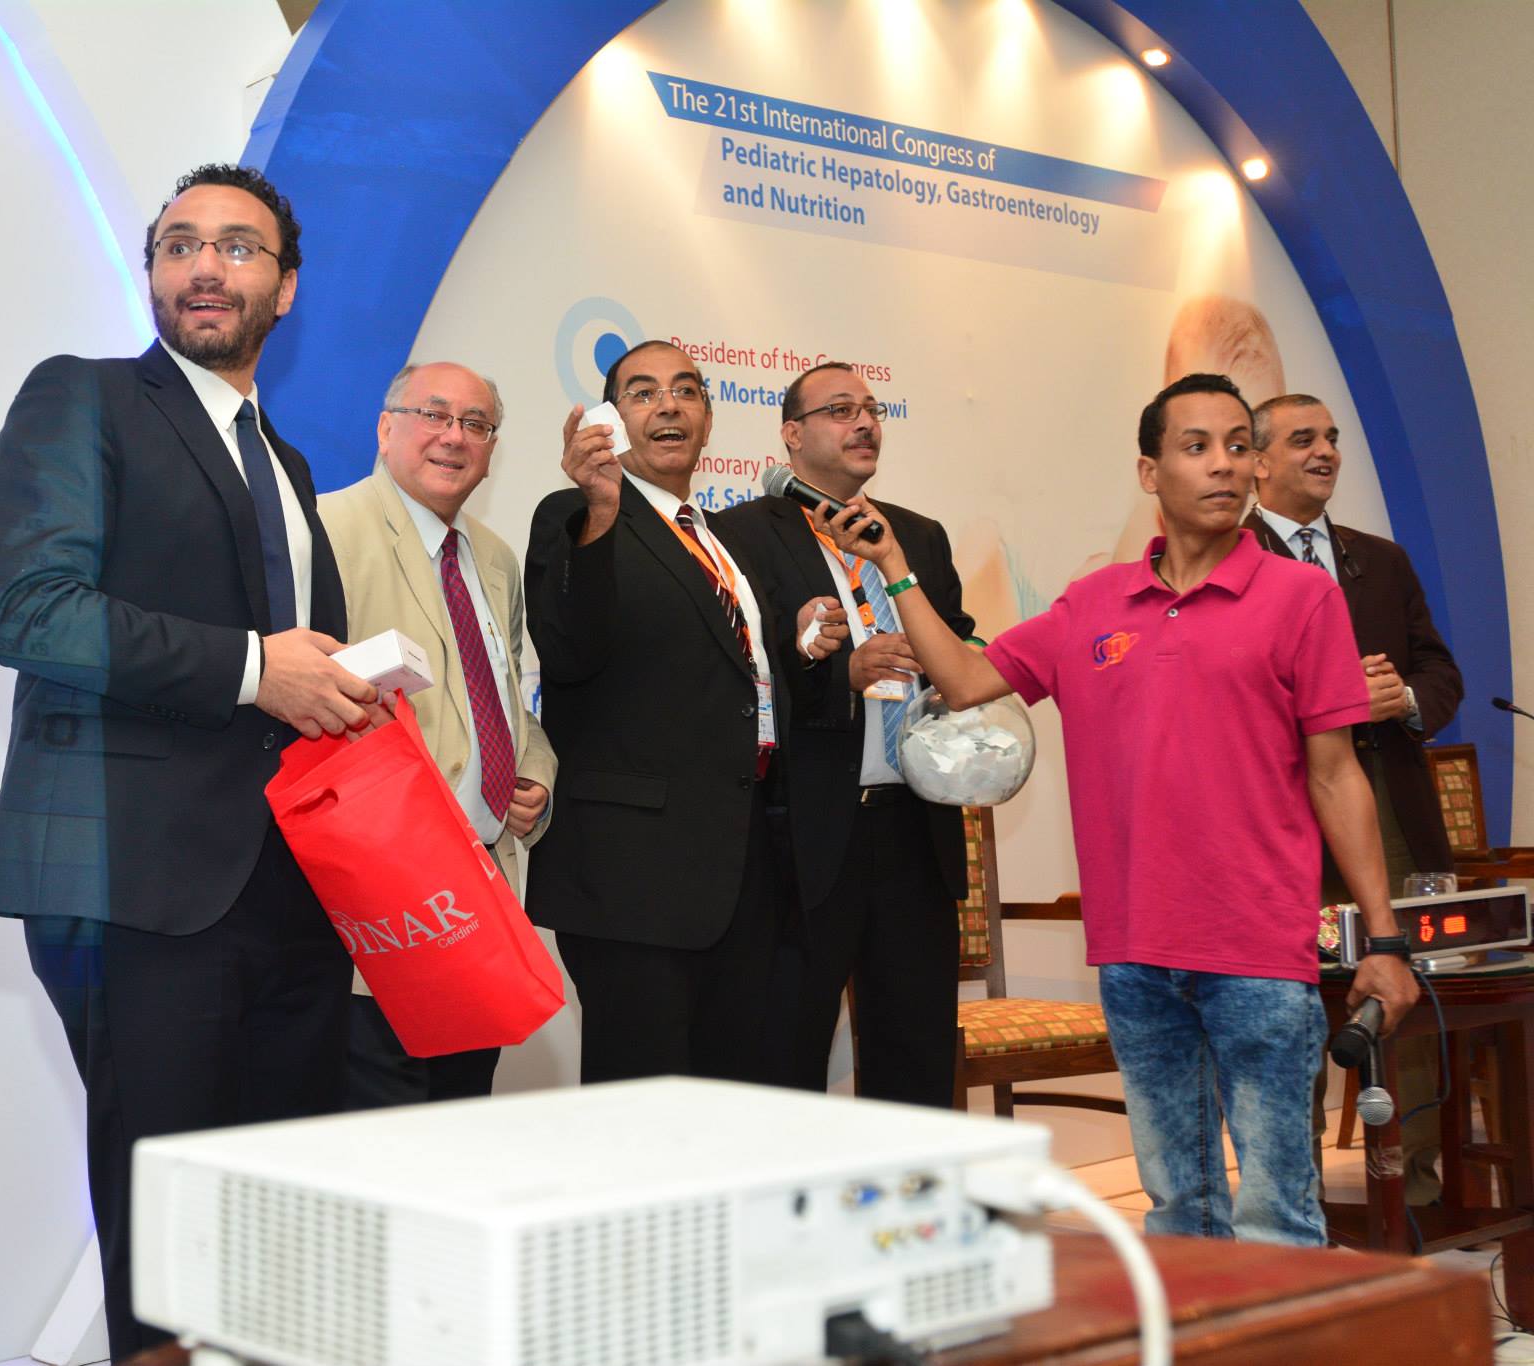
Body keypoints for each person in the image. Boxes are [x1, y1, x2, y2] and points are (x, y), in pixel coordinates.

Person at [826, 372, 1420, 1245]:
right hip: (1135, 953)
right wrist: (894, 569)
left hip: (1259, 952)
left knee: (1278, 1218)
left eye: (1239, 446)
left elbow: (1337, 777)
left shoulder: (1302, 597)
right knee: (1180, 1211)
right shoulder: (1093, 604)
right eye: (1197, 447)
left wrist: (1386, 940)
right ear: (1150, 472)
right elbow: (964, 679)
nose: (1225, 465)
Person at [0, 163, 377, 1359]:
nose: (205, 266)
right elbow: (35, 613)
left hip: (293, 885)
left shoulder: (287, 463)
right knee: (162, 1225)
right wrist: (259, 669)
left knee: (279, 1205)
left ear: (285, 288)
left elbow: (294, 667)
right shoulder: (85, 397)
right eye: (179, 244)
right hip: (138, 881)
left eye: (238, 247)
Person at [524, 340, 797, 1084]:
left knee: (727, 1097)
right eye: (643, 393)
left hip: (741, 864)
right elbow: (568, 651)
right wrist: (601, 509)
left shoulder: (721, 540)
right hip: (633, 875)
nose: (668, 405)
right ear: (611, 419)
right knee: (639, 1104)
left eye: (685, 390)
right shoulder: (575, 515)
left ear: (708, 417)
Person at [715, 361, 975, 1098]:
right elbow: (733, 680)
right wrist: (840, 675)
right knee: (786, 1054)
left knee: (916, 1056)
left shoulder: (916, 536)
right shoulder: (740, 535)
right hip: (802, 837)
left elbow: (960, 643)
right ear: (792, 435)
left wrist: (954, 672)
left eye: (871, 409)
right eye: (839, 410)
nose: (863, 423)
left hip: (914, 830)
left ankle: (914, 1180)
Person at [319, 361, 557, 1105]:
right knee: (379, 1130)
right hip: (379, 909)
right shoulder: (326, 531)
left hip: (478, 902)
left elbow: (511, 696)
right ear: (385, 427)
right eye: (434, 414)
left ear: (492, 451)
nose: (454, 436)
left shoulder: (494, 557)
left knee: (460, 1124)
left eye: (476, 424)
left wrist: (534, 773)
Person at [1248, 392, 1465, 1203]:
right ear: (1258, 461)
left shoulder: (1382, 559)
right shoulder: (1229, 559)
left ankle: (1415, 1188)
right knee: (1288, 1005)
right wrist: (1330, 699)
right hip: (1282, 809)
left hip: (1388, 802)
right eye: (1303, 439)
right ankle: (1289, 1191)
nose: (1326, 451)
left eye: (1333, 438)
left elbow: (1441, 673)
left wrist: (1399, 697)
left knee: (1405, 986)